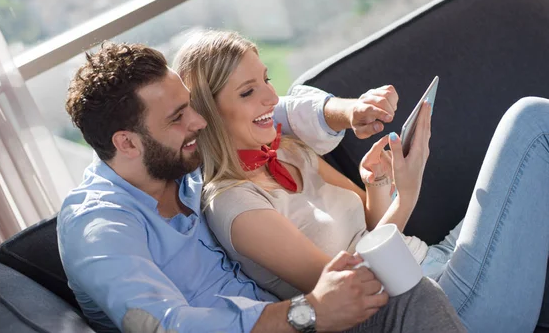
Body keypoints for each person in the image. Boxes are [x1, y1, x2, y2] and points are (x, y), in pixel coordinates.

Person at [57, 41, 465, 333]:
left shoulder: (173, 160)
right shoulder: (97, 227)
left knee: (414, 294)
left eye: (192, 107)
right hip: (295, 320)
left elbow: (268, 110)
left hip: (306, 317)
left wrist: (348, 111)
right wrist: (307, 313)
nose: (199, 122)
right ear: (126, 142)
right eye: (179, 117)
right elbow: (159, 325)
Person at [174, 30, 549, 333]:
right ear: (209, 113)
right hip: (435, 304)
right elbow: (353, 286)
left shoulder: (288, 149)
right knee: (531, 124)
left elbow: (371, 227)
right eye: (248, 91)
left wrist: (379, 184)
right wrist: (408, 195)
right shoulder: (233, 205)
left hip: (434, 257)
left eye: (266, 80)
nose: (272, 97)